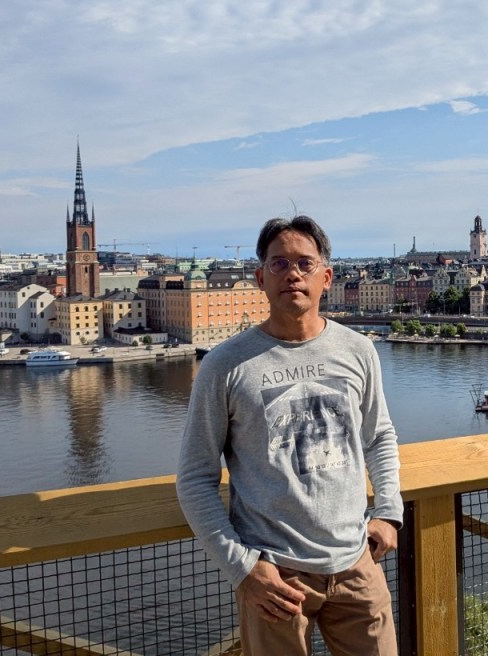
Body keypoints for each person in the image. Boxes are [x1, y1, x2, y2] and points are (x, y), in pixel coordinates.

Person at [177, 215, 403, 655]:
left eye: (305, 263)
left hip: (357, 562)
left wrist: (389, 512)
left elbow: (379, 436)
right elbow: (194, 478)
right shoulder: (225, 365)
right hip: (275, 575)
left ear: (326, 277)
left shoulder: (358, 350)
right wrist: (243, 569)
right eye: (279, 264)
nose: (293, 274)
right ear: (260, 278)